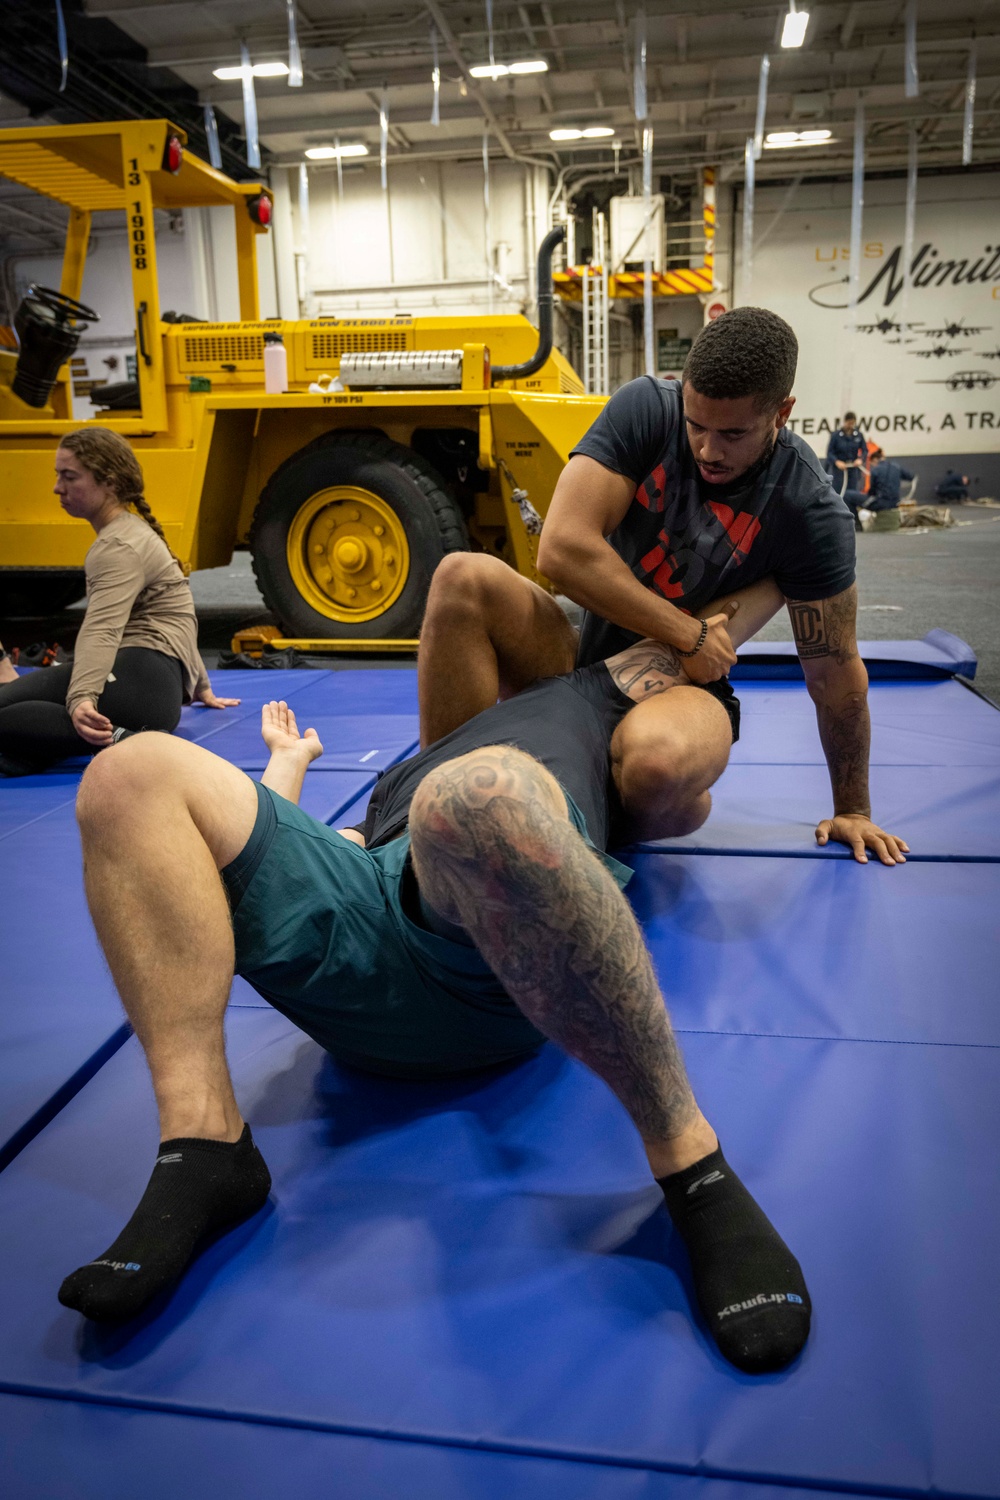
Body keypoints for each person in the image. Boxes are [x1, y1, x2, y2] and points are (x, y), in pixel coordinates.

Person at [58, 627, 811, 1375]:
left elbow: (684, 680)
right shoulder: (414, 763)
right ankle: (206, 1143)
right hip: (368, 924)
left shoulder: (591, 695)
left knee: (475, 797)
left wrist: (698, 645)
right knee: (130, 770)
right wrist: (287, 767)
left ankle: (693, 1168)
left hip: (500, 947)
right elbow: (280, 864)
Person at [419, 308, 907, 867]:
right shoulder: (650, 407)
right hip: (581, 661)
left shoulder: (810, 512)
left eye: (732, 433)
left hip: (685, 693)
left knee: (655, 764)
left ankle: (592, 805)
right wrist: (690, 633)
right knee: (463, 577)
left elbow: (835, 675)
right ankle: (432, 814)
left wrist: (855, 809)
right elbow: (561, 548)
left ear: (782, 412)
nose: (707, 449)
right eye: (696, 425)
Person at [0, 429, 238, 775]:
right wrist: (200, 685)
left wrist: (82, 697)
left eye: (69, 477)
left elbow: (102, 630)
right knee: (15, 711)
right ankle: (34, 751)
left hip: (138, 688)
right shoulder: (133, 531)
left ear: (108, 483)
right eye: (57, 475)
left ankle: (114, 738)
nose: (57, 487)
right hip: (155, 691)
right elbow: (177, 613)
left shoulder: (117, 548)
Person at [843, 448, 914, 521]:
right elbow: (911, 477)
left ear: (874, 460)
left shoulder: (875, 470)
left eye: (872, 464)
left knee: (848, 495)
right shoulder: (896, 467)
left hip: (880, 503)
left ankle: (856, 525)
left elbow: (872, 492)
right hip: (895, 503)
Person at [825, 411, 868, 496]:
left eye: (853, 423)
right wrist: (837, 462)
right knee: (839, 492)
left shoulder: (858, 435)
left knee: (853, 493)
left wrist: (860, 459)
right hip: (839, 470)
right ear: (845, 422)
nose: (851, 425)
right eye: (849, 423)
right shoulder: (836, 435)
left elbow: (865, 451)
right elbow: (829, 452)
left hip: (853, 469)